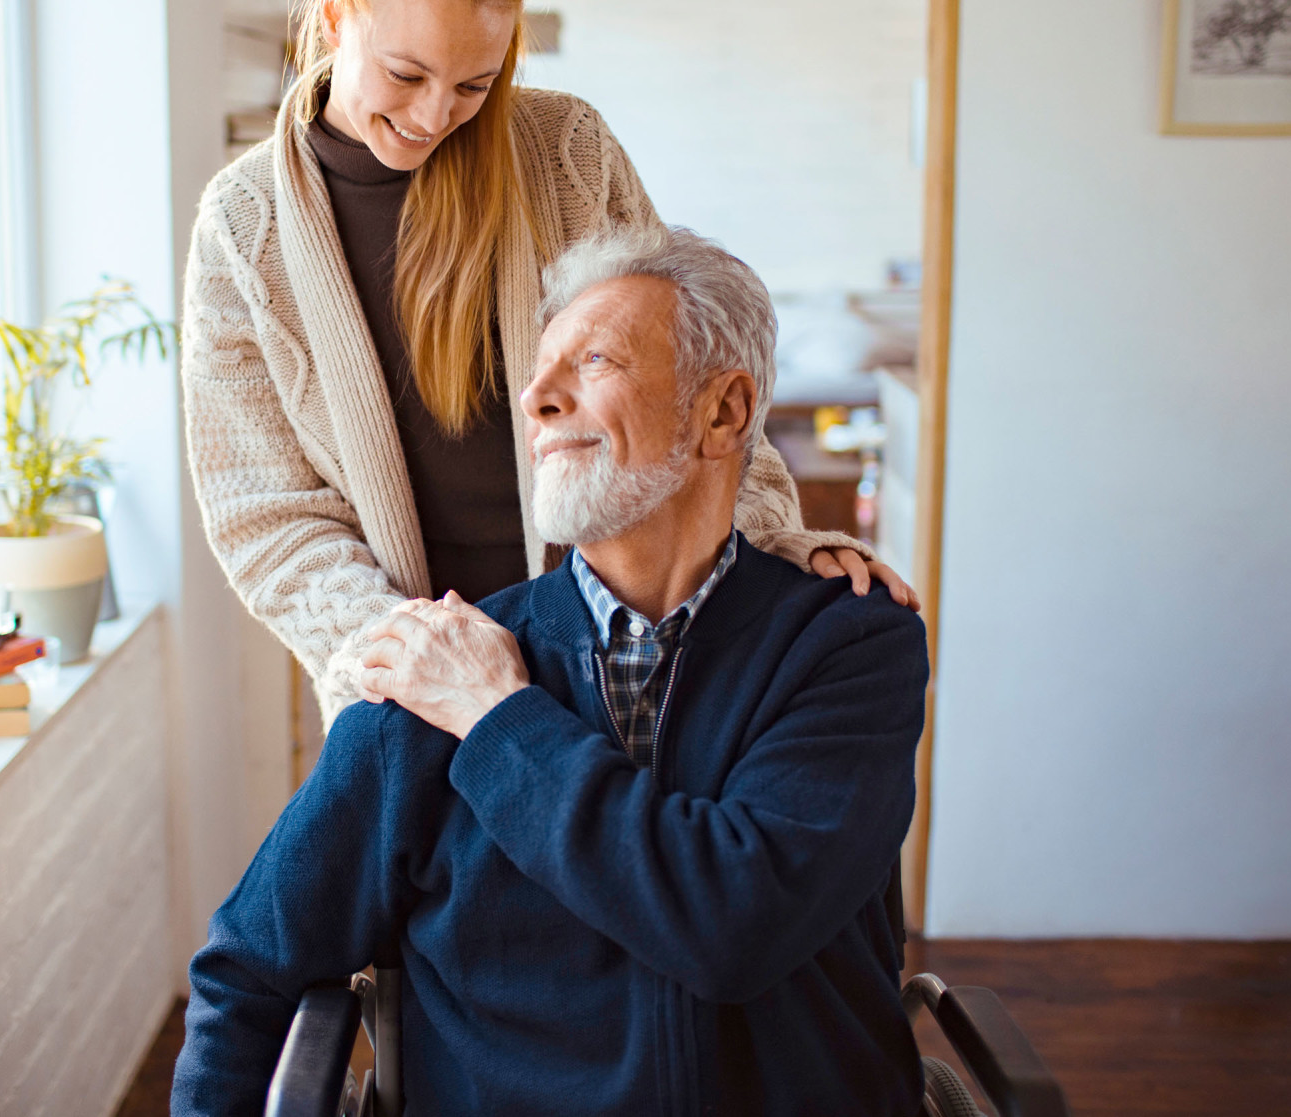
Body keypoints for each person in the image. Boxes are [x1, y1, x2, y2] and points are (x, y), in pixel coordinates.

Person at [171, 229, 929, 1116]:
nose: (536, 397)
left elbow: (736, 924)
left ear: (723, 414)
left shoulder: (848, 646)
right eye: (538, 372)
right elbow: (248, 970)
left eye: (595, 359)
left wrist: (499, 720)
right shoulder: (432, 675)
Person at [182, 0, 915, 722]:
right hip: (411, 696)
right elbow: (265, 516)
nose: (433, 116)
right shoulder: (243, 227)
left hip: (627, 648)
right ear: (338, 12)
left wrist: (773, 543)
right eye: (407, 75)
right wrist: (426, 660)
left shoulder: (565, 150)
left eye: (474, 85)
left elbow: (688, 372)